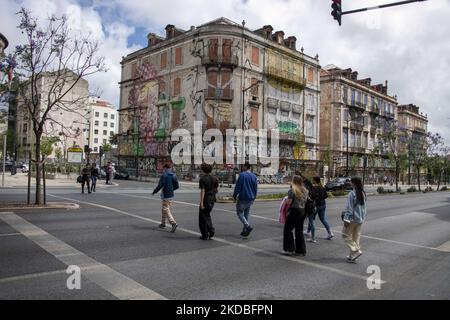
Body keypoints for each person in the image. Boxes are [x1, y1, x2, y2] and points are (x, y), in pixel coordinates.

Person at [342, 177, 367, 263]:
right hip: (360, 219)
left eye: (351, 182)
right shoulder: (363, 193)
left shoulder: (352, 194)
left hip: (352, 219)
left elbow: (349, 208)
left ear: (354, 183)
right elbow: (364, 208)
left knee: (345, 235)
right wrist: (363, 218)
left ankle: (356, 251)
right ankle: (352, 256)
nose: (350, 183)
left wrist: (346, 219)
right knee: (356, 237)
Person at [283, 175, 309, 256]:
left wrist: (285, 201)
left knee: (288, 229)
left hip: (294, 211)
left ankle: (289, 249)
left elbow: (289, 203)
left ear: (294, 181)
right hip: (302, 211)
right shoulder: (305, 190)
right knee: (299, 230)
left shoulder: (292, 190)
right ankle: (301, 250)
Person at [152, 163, 179, 233]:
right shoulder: (174, 175)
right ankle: (163, 223)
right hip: (171, 194)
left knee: (166, 209)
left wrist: (155, 191)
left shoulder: (164, 175)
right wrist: (171, 189)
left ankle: (173, 223)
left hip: (165, 194)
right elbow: (177, 186)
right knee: (164, 209)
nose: (163, 170)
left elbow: (160, 185)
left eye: (164, 168)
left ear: (165, 168)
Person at [233, 163, 258, 237]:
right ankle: (245, 231)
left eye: (244, 166)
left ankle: (247, 226)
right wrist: (254, 197)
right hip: (251, 198)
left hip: (243, 197)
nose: (243, 167)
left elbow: (238, 186)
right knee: (246, 214)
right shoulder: (254, 176)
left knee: (239, 213)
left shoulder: (242, 175)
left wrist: (234, 195)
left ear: (246, 167)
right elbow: (255, 188)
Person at [198, 163, 219, 240]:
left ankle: (207, 233)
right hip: (212, 199)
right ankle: (209, 232)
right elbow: (216, 189)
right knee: (207, 215)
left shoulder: (202, 179)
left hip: (206, 199)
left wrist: (201, 202)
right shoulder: (215, 178)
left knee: (202, 217)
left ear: (203, 170)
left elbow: (202, 191)